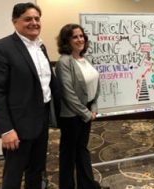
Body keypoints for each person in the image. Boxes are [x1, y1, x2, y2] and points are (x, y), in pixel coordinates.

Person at [0, 2, 60, 189]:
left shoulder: (41, 47)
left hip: (41, 119)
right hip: (17, 126)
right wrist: (6, 129)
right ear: (15, 21)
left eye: (37, 18)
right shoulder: (1, 48)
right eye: (28, 19)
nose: (34, 22)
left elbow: (46, 83)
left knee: (37, 169)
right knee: (13, 174)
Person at [56, 24, 109, 189]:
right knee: (68, 154)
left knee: (82, 150)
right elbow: (68, 93)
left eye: (82, 36)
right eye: (75, 37)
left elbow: (94, 84)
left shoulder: (84, 58)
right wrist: (86, 113)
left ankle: (87, 185)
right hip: (72, 115)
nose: (80, 40)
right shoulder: (64, 62)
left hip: (86, 110)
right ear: (67, 41)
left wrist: (93, 106)